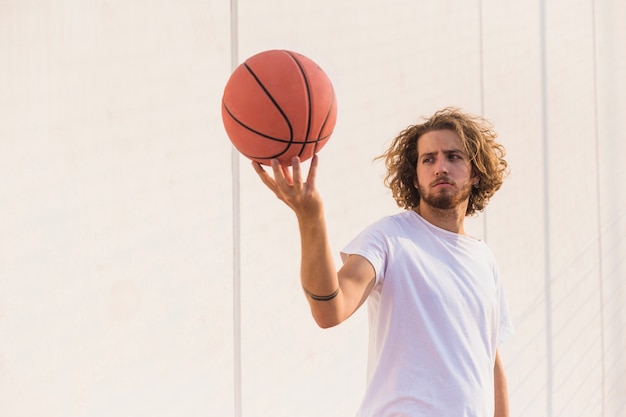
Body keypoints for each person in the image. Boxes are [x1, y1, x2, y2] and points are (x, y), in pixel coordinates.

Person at [253, 107, 514, 417]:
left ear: (476, 174)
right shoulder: (389, 237)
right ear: (415, 178)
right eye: (428, 159)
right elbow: (329, 309)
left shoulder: (484, 259)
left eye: (454, 157)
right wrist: (311, 218)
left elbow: (490, 361)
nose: (440, 167)